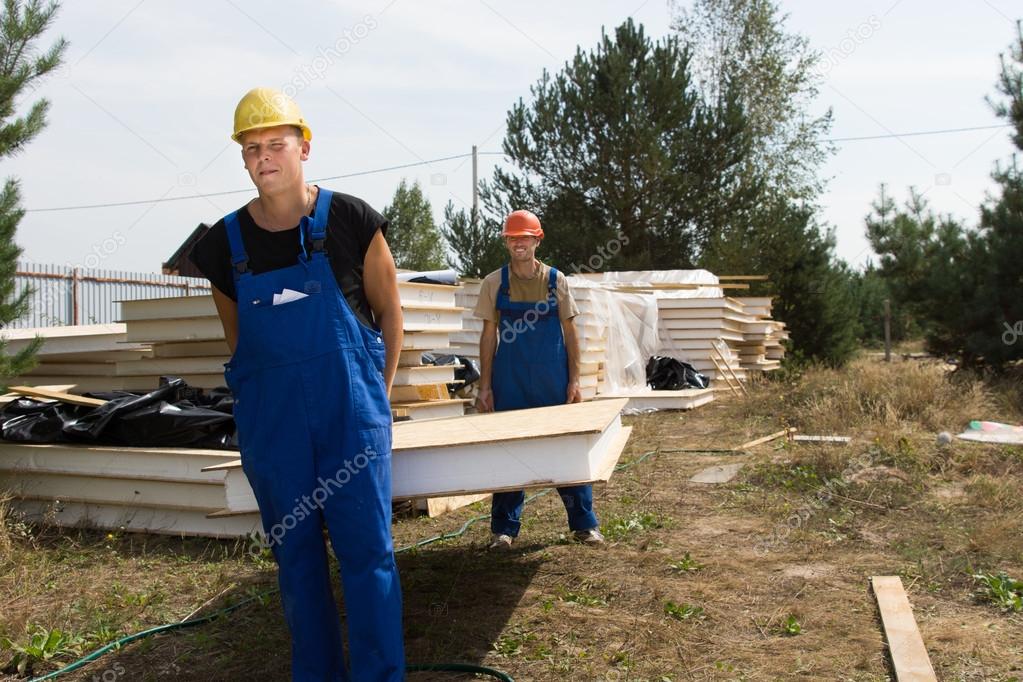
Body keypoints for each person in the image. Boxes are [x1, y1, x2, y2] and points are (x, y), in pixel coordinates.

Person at [189, 87, 405, 681]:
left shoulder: (351, 220)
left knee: (368, 555)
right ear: (243, 158)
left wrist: (375, 397)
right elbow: (243, 347)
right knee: (298, 561)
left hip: (350, 420)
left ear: (303, 147)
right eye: (252, 148)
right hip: (276, 429)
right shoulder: (221, 247)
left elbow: (390, 315)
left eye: (276, 144)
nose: (265, 157)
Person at [474, 210, 605, 550]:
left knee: (565, 449)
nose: (519, 243)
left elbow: (570, 332)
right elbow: (488, 336)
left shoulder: (556, 281)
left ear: (537, 239)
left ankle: (584, 525)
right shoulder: (494, 283)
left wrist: (575, 380)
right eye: (513, 237)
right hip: (510, 381)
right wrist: (484, 386)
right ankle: (503, 531)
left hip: (552, 380)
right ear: (507, 241)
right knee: (509, 453)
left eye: (525, 237)